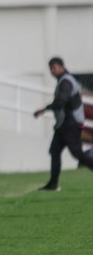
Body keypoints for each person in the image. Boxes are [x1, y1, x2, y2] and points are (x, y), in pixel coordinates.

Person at [33, 57, 93, 191]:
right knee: (55, 151)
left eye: (54, 68)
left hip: (69, 124)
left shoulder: (66, 81)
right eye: (50, 68)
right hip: (63, 124)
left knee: (77, 153)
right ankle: (53, 184)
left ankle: (53, 183)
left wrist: (44, 109)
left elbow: (61, 102)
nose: (52, 71)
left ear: (61, 66)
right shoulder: (64, 80)